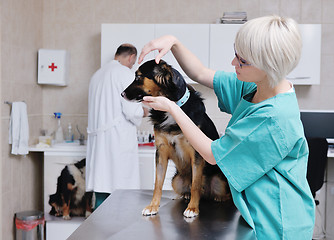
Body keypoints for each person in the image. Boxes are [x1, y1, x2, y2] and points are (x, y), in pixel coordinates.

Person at [139, 15, 315, 239]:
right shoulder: (257, 87)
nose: (234, 64)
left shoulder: (273, 118)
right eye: (236, 54)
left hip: (277, 223)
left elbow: (212, 154)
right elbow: (200, 73)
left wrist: (173, 109)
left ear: (268, 64)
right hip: (256, 214)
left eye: (242, 60)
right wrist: (174, 42)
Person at [86, 44, 147, 209]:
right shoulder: (125, 73)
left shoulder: (97, 75)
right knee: (121, 190)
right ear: (131, 57)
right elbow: (132, 110)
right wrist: (145, 111)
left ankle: (99, 231)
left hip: (100, 143)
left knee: (102, 185)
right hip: (117, 141)